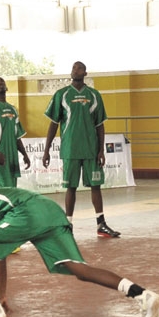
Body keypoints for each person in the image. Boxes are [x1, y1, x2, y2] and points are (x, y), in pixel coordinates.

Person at [0, 187, 159, 317]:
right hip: (50, 211)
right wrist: (2, 295)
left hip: (28, 212)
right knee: (79, 269)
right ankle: (142, 294)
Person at [43, 61, 120, 238]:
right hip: (70, 150)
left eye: (79, 68)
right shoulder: (61, 95)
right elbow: (53, 124)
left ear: (85, 73)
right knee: (70, 187)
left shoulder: (94, 95)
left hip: (91, 149)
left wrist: (101, 150)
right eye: (73, 68)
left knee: (95, 186)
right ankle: (67, 224)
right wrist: (46, 150)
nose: (75, 70)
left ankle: (101, 224)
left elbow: (100, 125)